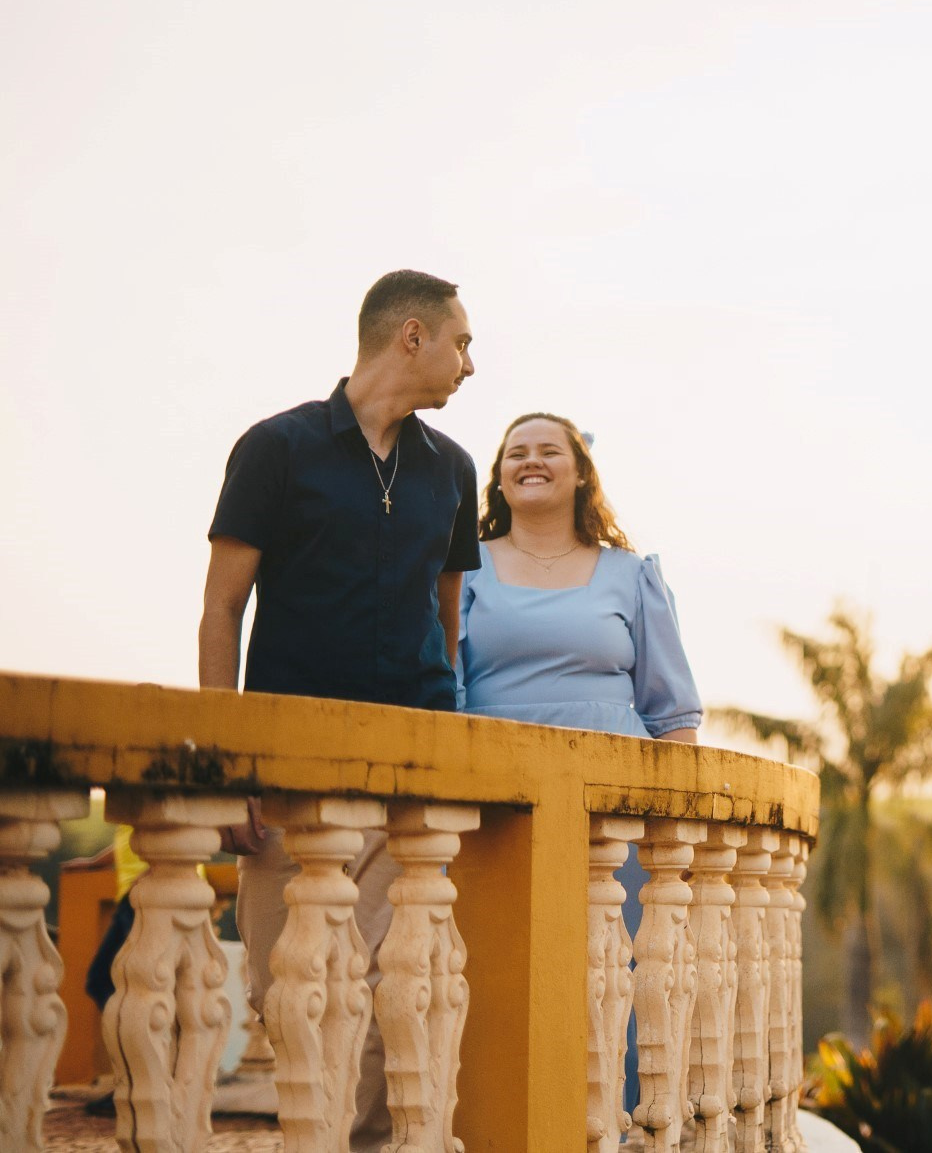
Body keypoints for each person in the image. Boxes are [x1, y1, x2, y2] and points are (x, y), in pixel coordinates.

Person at [200, 270, 479, 1153]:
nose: (470, 364)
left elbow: (449, 622)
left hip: (413, 775)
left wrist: (452, 737)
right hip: (289, 773)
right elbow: (221, 610)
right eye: (461, 342)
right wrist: (223, 764)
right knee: (291, 993)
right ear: (410, 336)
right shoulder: (275, 448)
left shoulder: (454, 470)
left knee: (393, 1001)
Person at [457, 411, 701, 1108]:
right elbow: (444, 685)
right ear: (499, 476)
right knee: (493, 965)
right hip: (495, 805)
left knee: (608, 972)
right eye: (515, 452)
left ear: (580, 473)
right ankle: (492, 1118)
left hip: (611, 814)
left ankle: (610, 1123)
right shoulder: (464, 567)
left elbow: (673, 709)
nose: (531, 461)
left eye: (548, 450)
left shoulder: (631, 575)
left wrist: (673, 835)